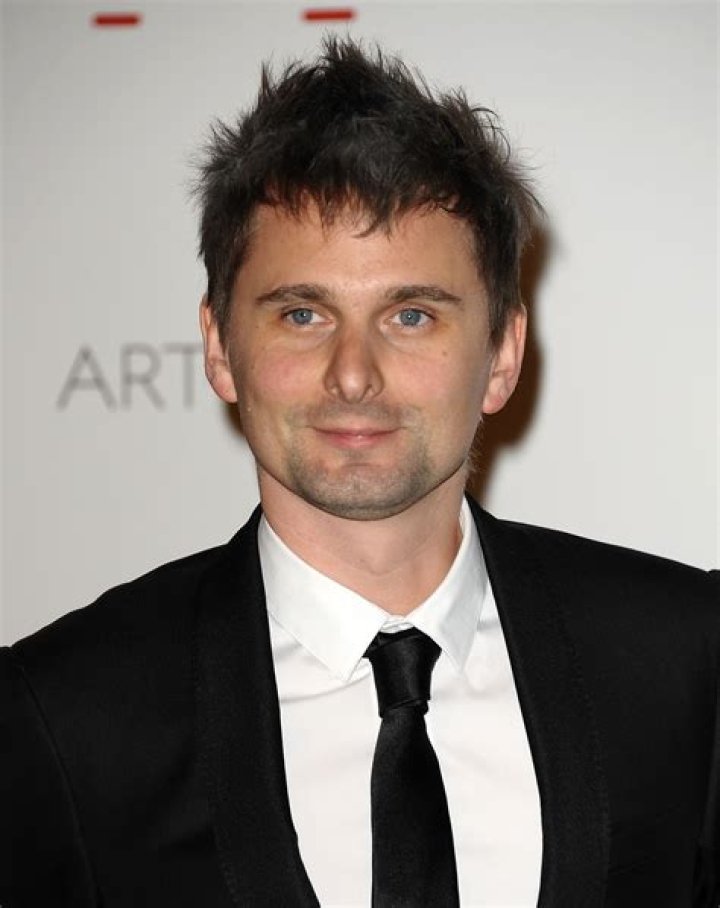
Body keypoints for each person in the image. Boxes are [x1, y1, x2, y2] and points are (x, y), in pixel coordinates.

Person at [1, 37, 718, 908]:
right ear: (219, 347)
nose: (352, 376)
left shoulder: (686, 665)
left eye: (411, 315)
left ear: (502, 354)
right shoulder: (66, 718)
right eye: (303, 314)